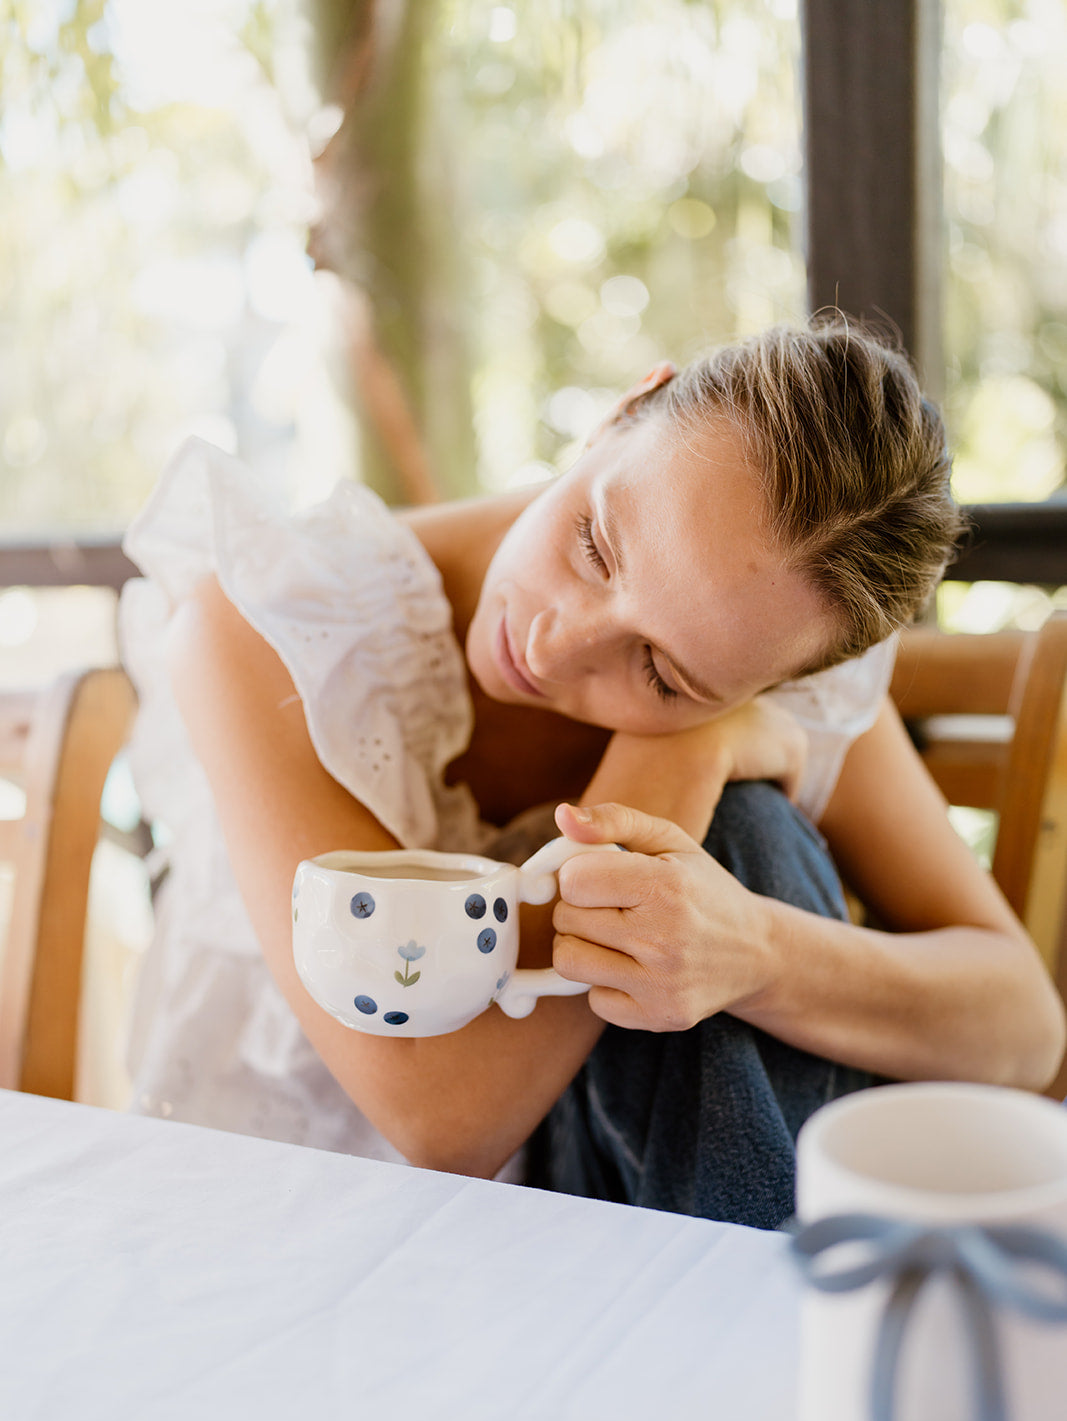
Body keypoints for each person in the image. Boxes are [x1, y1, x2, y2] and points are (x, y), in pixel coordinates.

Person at [118, 317, 1065, 1229]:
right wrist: (679, 744)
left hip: (610, 1206)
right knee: (691, 850)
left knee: (742, 841)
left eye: (662, 671)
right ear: (626, 407)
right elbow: (441, 1119)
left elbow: (1021, 1028)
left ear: (777, 684)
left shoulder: (780, 642)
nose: (553, 642)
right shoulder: (269, 622)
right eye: (593, 544)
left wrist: (753, 953)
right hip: (308, 1211)